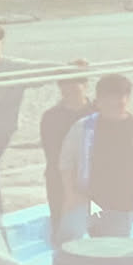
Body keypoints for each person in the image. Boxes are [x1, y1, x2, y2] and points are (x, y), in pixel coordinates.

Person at [55, 73, 133, 242]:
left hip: (121, 206)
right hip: (86, 201)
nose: (117, 103)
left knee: (112, 252)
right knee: (68, 245)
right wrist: (70, 194)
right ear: (99, 101)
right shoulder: (84, 127)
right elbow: (66, 162)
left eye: (122, 98)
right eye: (110, 98)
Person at [0, 24, 55, 216]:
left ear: (1, 43)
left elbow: (42, 68)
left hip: (2, 128)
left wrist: (71, 66)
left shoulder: (13, 66)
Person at [37, 70, 91, 233]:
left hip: (95, 179)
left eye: (75, 84)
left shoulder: (98, 112)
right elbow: (51, 152)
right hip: (59, 180)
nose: (70, 88)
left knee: (98, 226)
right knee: (61, 227)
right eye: (65, 84)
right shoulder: (51, 116)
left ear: (85, 85)